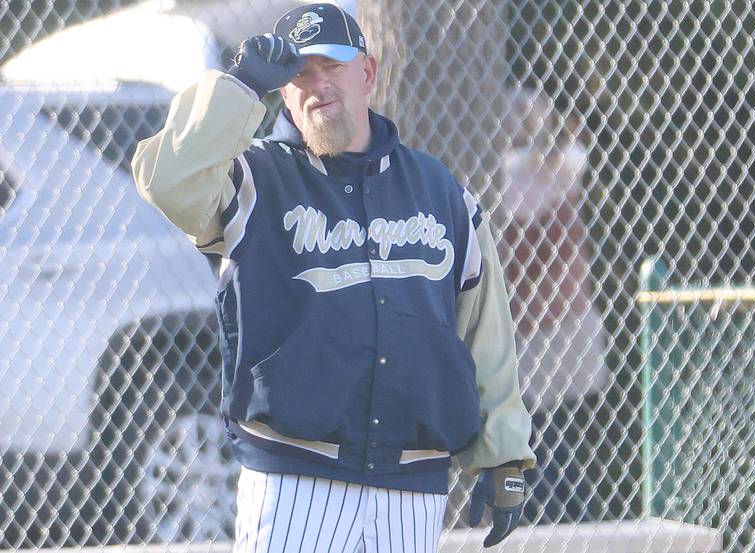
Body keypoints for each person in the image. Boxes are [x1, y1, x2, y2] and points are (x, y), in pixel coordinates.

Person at [132, 3, 536, 551]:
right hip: (294, 480)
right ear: (283, 91)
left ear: (367, 73)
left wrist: (503, 451)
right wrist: (240, 86)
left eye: (332, 66)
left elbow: (485, 331)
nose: (318, 85)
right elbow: (167, 180)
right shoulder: (252, 181)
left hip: (411, 485)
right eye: (300, 73)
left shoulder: (440, 192)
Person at [501, 87, 610, 523]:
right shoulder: (519, 176)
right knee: (539, 445)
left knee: (550, 444)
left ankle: (564, 524)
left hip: (552, 330)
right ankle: (555, 521)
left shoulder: (554, 172)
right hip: (528, 331)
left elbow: (569, 156)